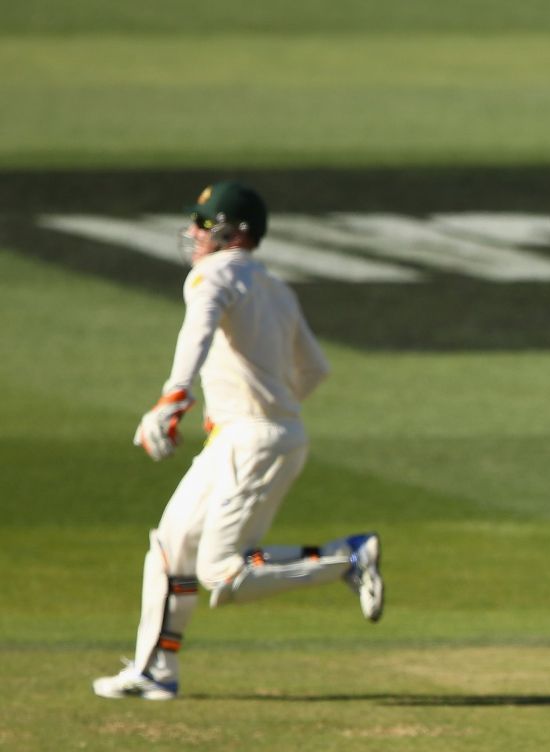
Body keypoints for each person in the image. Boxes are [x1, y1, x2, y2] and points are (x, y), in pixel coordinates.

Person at [91, 180, 382, 702]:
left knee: (221, 575)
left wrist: (175, 397)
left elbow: (197, 332)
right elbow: (313, 370)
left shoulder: (214, 274)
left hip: (252, 441)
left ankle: (348, 557)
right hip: (248, 434)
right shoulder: (276, 288)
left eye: (204, 224)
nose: (194, 234)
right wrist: (254, 407)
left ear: (232, 230)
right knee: (169, 546)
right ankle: (155, 670)